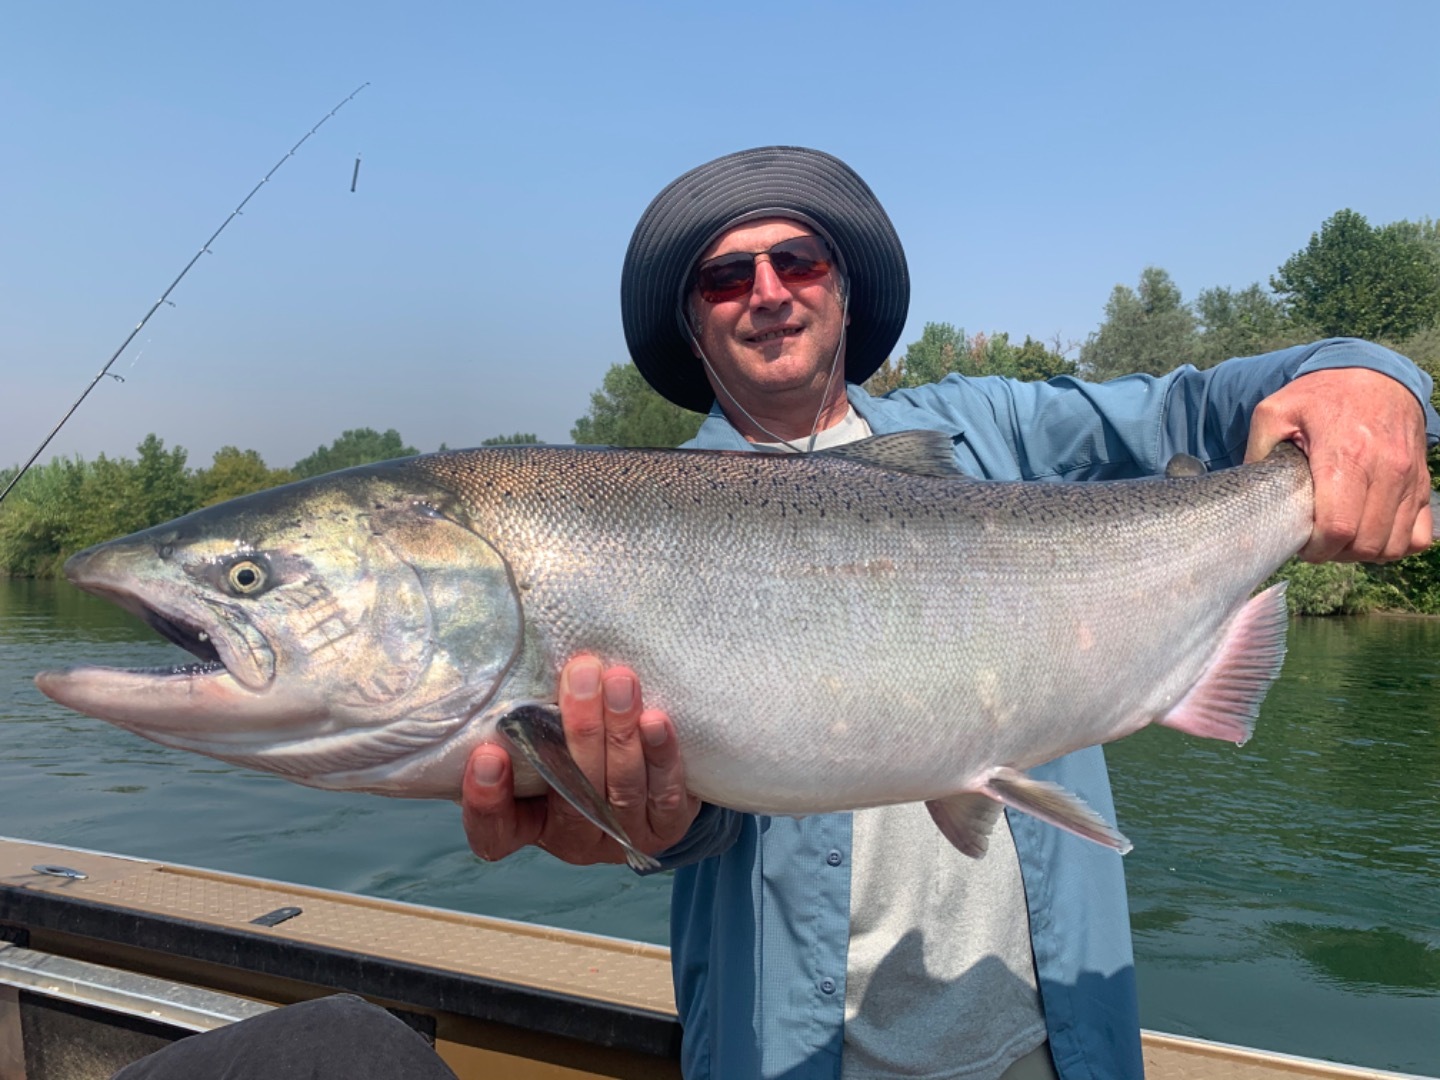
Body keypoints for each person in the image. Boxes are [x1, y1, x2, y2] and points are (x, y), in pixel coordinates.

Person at [461, 146, 1440, 1080]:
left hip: (1049, 1042)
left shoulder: (998, 428)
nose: (766, 291)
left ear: (844, 291)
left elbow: (1200, 406)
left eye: (796, 260)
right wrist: (634, 824)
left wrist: (1366, 377)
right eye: (724, 277)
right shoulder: (621, 528)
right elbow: (702, 827)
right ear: (693, 322)